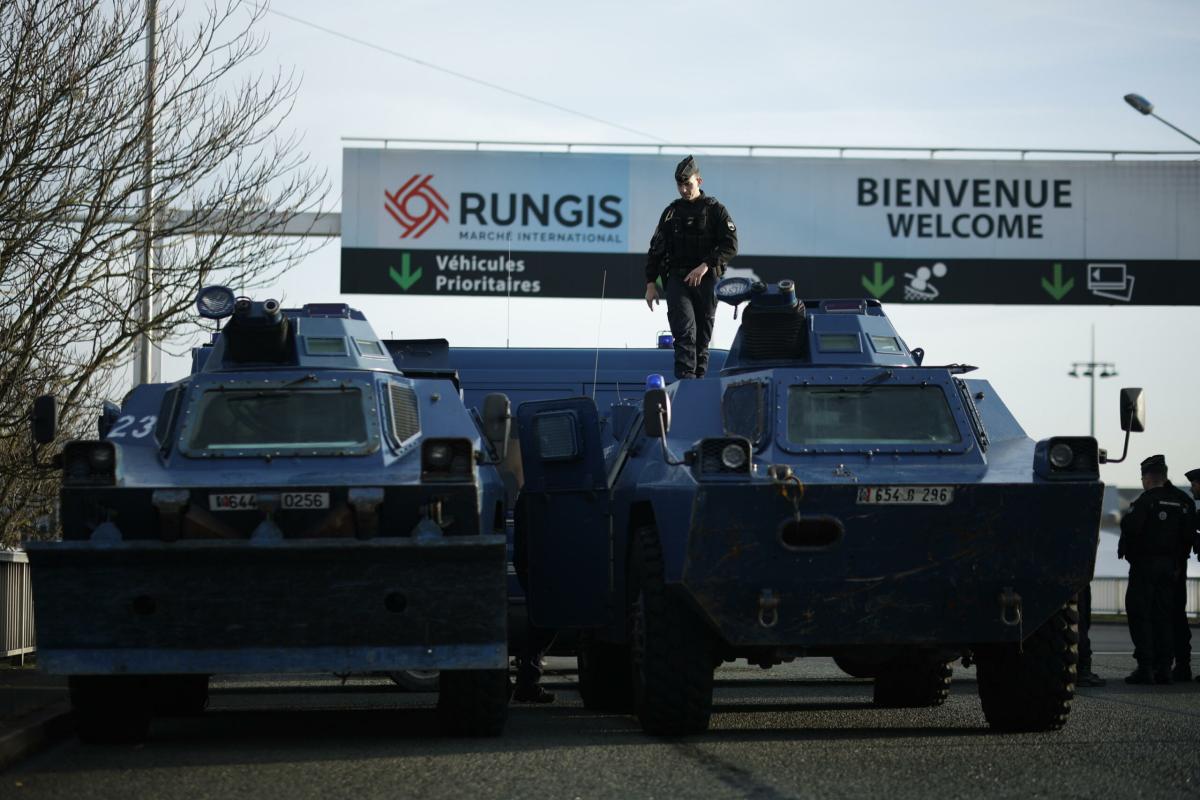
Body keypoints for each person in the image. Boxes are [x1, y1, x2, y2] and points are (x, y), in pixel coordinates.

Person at [644, 155, 738, 380]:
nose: (684, 190)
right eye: (680, 185)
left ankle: (699, 382)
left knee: (702, 337)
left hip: (707, 280)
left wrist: (706, 265)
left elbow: (730, 245)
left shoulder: (715, 210)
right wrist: (650, 283)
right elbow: (656, 248)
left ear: (699, 181)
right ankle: (686, 381)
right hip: (678, 279)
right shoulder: (671, 213)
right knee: (685, 333)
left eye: (688, 184)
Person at [1118, 454, 1195, 684]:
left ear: (1147, 478)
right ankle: (1165, 668)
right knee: (1166, 617)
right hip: (1173, 568)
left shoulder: (1145, 501)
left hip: (1145, 567)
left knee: (1141, 615)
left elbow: (1131, 528)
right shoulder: (1183, 501)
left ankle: (1146, 667)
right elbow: (1190, 535)